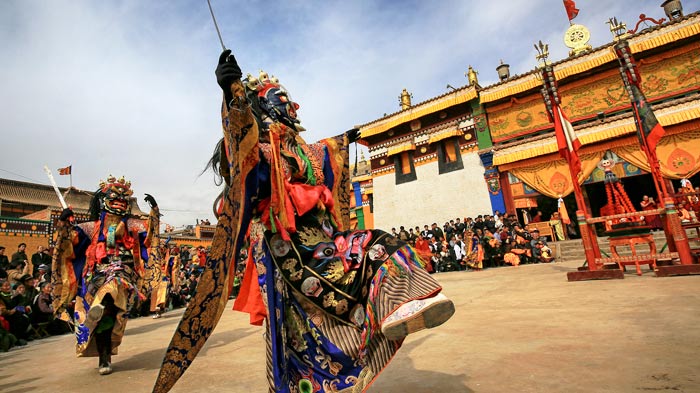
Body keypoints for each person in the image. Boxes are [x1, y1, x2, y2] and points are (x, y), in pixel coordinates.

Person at [153, 50, 455, 393]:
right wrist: (232, 93)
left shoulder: (306, 150)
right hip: (288, 250)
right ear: (262, 107)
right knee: (297, 332)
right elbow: (240, 145)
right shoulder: (261, 150)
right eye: (279, 100)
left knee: (381, 243)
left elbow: (328, 151)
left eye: (289, 100)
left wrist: (346, 140)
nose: (290, 105)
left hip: (326, 243)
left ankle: (400, 306)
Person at [52, 176, 160, 375]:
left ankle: (100, 311)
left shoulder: (133, 226)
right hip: (96, 273)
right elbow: (69, 245)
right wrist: (64, 223)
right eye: (114, 196)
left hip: (123, 272)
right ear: (103, 200)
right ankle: (103, 355)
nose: (119, 200)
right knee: (106, 318)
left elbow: (149, 238)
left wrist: (154, 213)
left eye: (123, 198)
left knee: (113, 291)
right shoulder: (91, 228)